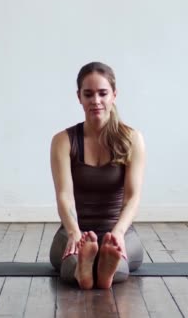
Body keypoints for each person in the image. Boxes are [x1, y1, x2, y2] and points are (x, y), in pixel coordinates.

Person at [49, 61, 146, 289]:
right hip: (76, 229)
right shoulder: (63, 141)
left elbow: (132, 197)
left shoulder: (132, 139)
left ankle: (103, 271)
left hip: (117, 229)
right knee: (68, 263)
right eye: (88, 94)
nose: (96, 101)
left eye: (103, 93)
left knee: (119, 267)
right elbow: (64, 195)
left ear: (114, 95)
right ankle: (85, 269)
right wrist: (74, 232)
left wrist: (119, 233)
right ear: (79, 97)